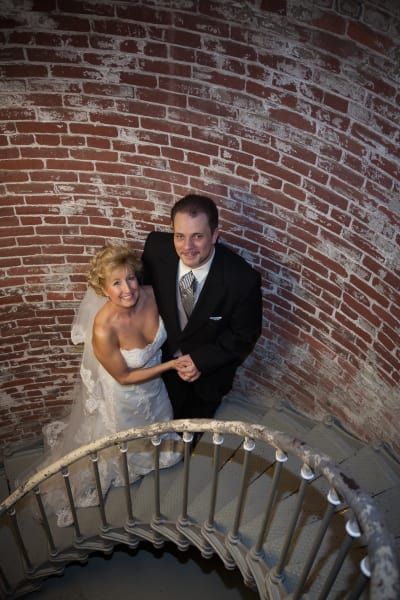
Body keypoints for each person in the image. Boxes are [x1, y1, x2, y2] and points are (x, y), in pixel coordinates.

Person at [22, 243, 186, 527]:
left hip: (154, 389)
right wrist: (171, 366)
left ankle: (159, 457)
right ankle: (131, 467)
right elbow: (123, 376)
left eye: (131, 278)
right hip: (126, 394)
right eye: (117, 283)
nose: (127, 289)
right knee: (128, 435)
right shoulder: (103, 327)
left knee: (158, 419)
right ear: (103, 289)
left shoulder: (151, 295)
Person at [142, 194, 263, 419]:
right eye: (180, 236)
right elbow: (143, 292)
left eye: (197, 236)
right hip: (162, 366)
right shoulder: (156, 249)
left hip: (209, 378)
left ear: (215, 235)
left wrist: (201, 361)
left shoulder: (242, 279)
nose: (187, 247)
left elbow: (244, 335)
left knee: (194, 425)